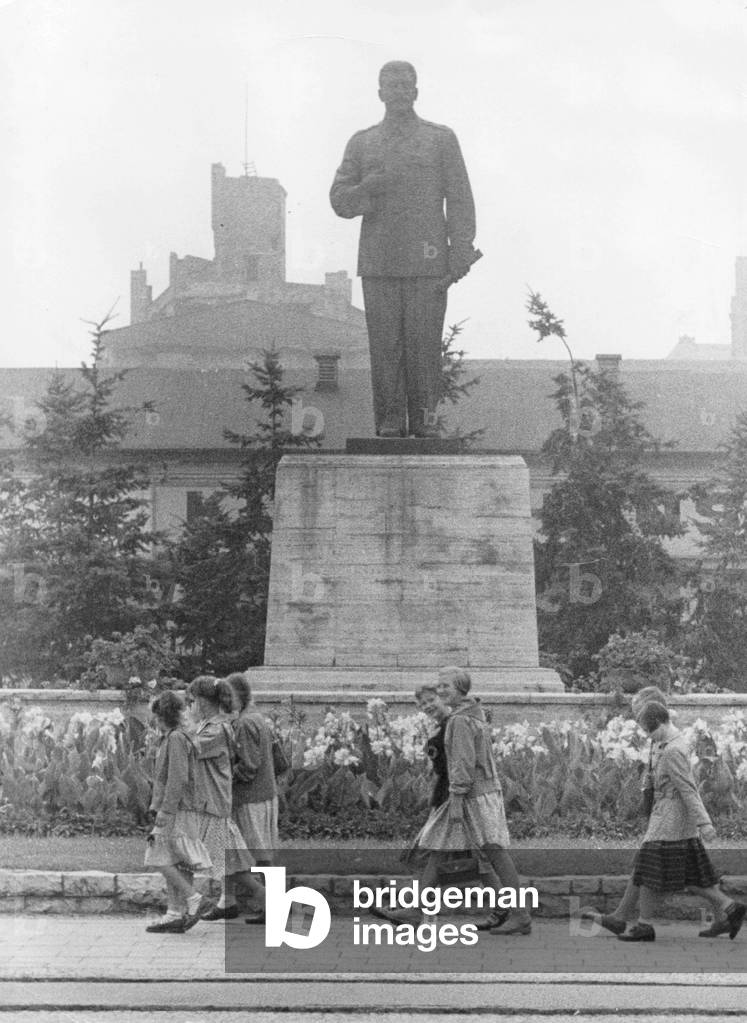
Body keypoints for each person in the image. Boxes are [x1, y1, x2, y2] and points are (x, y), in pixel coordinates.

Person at [330, 61, 479, 438]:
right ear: (379, 93)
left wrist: (460, 248)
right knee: (385, 349)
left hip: (428, 261)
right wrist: (368, 188)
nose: (398, 91)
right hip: (379, 262)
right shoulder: (362, 143)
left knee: (425, 348)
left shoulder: (440, 139)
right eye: (390, 85)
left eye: (405, 85)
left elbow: (459, 198)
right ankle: (390, 421)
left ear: (416, 91)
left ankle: (426, 422)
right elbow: (339, 200)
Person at [417, 666, 532, 936]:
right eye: (440, 685)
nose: (441, 690)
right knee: (443, 848)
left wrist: (456, 798)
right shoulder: (473, 714)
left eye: (446, 686)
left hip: (473, 795)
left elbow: (463, 763)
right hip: (483, 792)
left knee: (493, 853)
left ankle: (520, 915)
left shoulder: (460, 721)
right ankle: (420, 910)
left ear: (460, 689)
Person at [617, 701, 745, 941]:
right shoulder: (665, 742)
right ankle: (729, 908)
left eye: (649, 730)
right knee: (691, 874)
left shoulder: (673, 749)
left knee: (648, 868)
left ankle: (644, 925)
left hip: (670, 821)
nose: (647, 735)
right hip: (670, 818)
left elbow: (688, 788)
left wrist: (704, 822)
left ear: (662, 723)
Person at [186, 675, 266, 923]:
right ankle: (228, 902)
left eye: (192, 702)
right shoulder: (213, 726)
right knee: (228, 862)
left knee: (233, 866)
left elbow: (187, 750)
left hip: (215, 805)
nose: (190, 707)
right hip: (211, 803)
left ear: (203, 702)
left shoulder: (216, 730)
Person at [144, 690, 213, 934]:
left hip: (177, 809)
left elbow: (176, 778)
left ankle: (194, 899)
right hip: (186, 807)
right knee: (179, 862)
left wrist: (165, 811)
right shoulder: (180, 736)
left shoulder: (175, 739)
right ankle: (175, 912)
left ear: (161, 715)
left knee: (157, 856)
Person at [224, 673, 278, 876]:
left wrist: (224, 778)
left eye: (228, 696)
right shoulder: (258, 719)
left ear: (238, 696)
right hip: (265, 795)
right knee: (261, 853)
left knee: (257, 855)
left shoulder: (244, 724)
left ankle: (274, 902)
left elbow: (248, 766)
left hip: (250, 798)